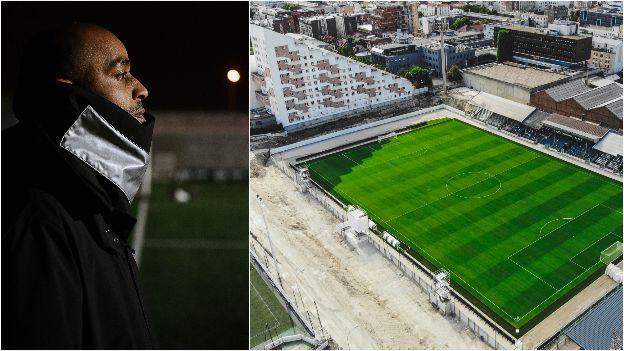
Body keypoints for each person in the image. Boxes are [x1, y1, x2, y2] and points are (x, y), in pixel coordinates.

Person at [2, 23, 157, 349]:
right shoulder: (40, 216)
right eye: (120, 75)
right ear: (69, 93)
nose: (141, 89)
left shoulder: (87, 197)